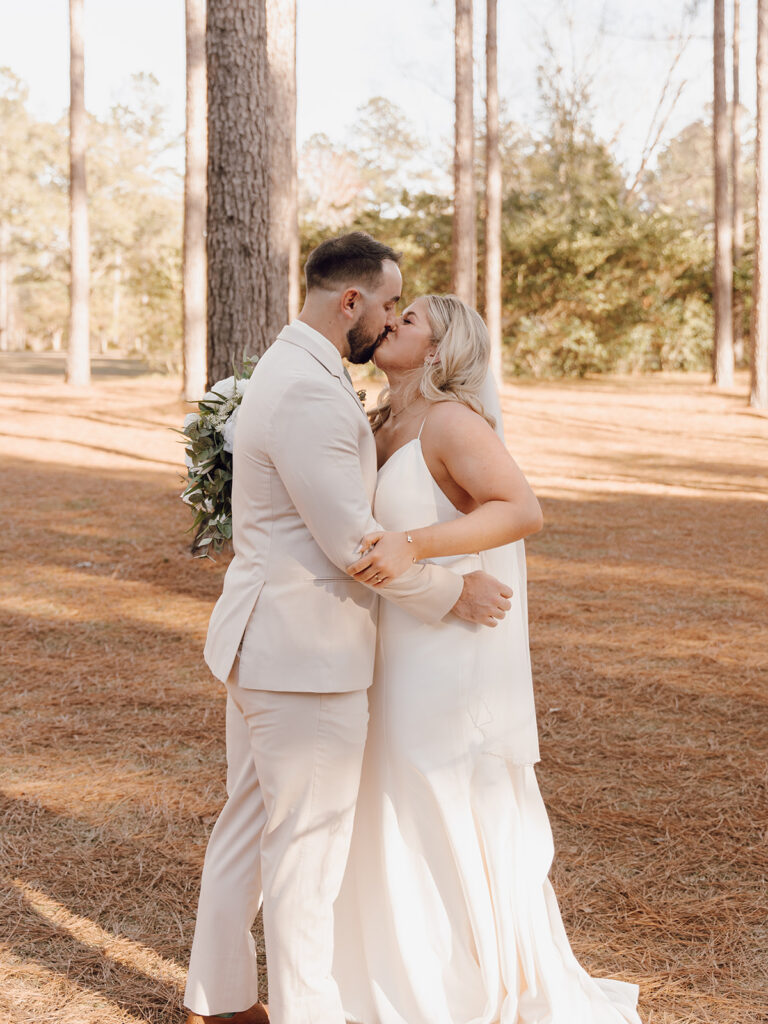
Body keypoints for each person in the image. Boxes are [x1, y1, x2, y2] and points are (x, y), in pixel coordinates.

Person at [183, 236, 513, 1024]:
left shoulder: (303, 370)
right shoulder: (310, 391)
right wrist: (451, 593)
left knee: (250, 828)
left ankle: (219, 1005)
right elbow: (354, 546)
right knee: (307, 849)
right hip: (305, 658)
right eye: (390, 304)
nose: (393, 318)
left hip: (270, 647)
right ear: (351, 304)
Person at [333, 294, 643, 1024]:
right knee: (388, 794)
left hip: (444, 652)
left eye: (409, 321)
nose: (391, 323)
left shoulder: (448, 422)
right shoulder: (381, 420)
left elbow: (520, 508)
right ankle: (393, 978)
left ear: (439, 352)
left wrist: (420, 544)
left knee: (432, 791)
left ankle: (462, 984)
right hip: (393, 632)